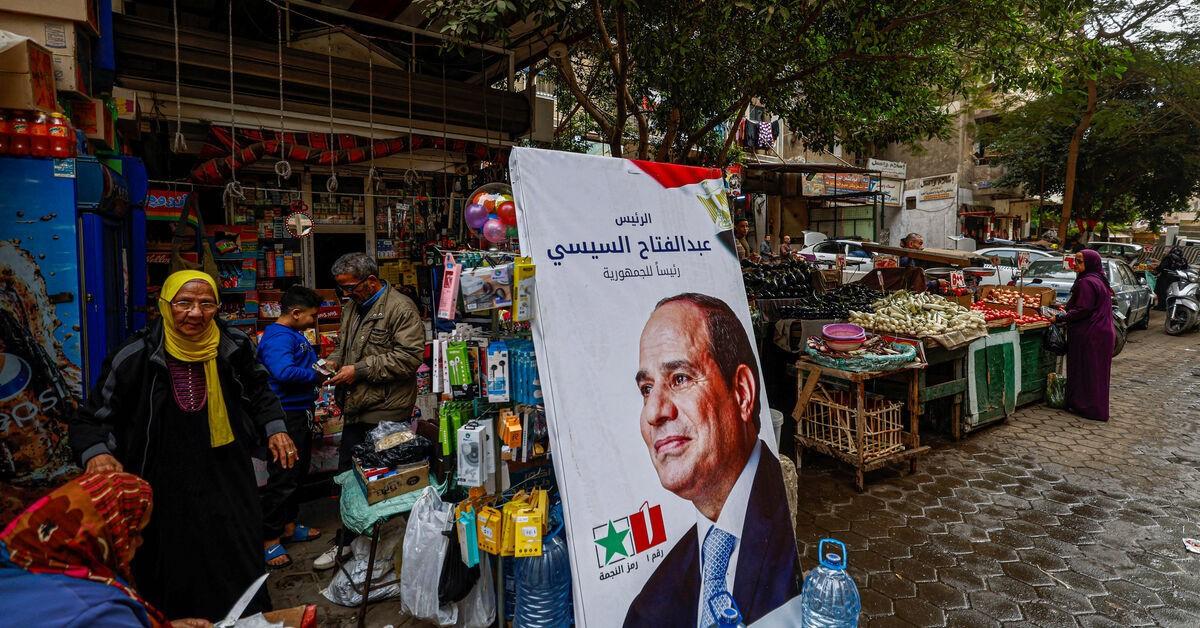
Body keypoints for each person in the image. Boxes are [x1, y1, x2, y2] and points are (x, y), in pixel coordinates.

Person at [69, 271, 294, 620]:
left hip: (226, 473)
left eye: (206, 304)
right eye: (184, 303)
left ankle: (244, 621)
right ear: (164, 306)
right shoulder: (134, 356)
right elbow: (91, 418)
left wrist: (276, 428)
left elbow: (260, 392)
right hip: (161, 478)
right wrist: (97, 453)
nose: (195, 313)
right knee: (169, 561)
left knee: (235, 552)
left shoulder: (232, 347)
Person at [626, 293, 799, 627]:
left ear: (743, 393)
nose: (653, 411)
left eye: (680, 378)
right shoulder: (651, 606)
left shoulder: (796, 544)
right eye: (647, 388)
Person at [316, 253, 426, 570]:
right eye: (341, 288)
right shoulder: (352, 306)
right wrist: (335, 361)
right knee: (351, 478)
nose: (345, 294)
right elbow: (343, 344)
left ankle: (385, 547)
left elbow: (408, 358)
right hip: (356, 406)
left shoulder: (400, 309)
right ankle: (351, 542)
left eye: (349, 287)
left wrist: (360, 370)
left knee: (383, 481)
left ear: (371, 282)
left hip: (386, 410)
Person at [0, 472, 211, 628]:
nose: (140, 542)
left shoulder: (14, 568)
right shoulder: (97, 611)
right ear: (103, 535)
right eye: (133, 532)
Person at [257, 285, 327, 569]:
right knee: (284, 477)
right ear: (296, 313)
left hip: (300, 412)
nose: (314, 321)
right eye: (311, 316)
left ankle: (288, 525)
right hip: (286, 416)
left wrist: (322, 367)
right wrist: (316, 374)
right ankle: (269, 539)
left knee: (297, 473)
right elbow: (283, 372)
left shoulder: (293, 334)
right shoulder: (277, 337)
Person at [1056, 249, 1114, 422]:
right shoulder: (1098, 279)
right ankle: (1091, 407)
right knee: (1094, 372)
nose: (1076, 264)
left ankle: (1086, 407)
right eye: (1075, 260)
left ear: (1090, 263)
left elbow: (1083, 309)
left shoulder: (1087, 282)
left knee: (1087, 371)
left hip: (1091, 334)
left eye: (1080, 261)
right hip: (1101, 333)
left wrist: (1062, 316)